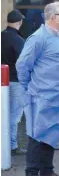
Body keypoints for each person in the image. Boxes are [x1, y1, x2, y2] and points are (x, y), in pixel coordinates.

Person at [16, 2, 59, 176]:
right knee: (37, 136)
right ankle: (32, 172)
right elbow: (22, 65)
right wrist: (28, 88)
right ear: (54, 17)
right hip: (41, 96)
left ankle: (47, 170)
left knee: (52, 134)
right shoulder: (38, 38)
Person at [1, 10, 27, 156]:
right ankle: (12, 146)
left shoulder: (1, 36)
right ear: (20, 22)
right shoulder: (18, 40)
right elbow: (24, 62)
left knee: (4, 113)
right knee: (14, 115)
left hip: (3, 82)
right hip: (16, 82)